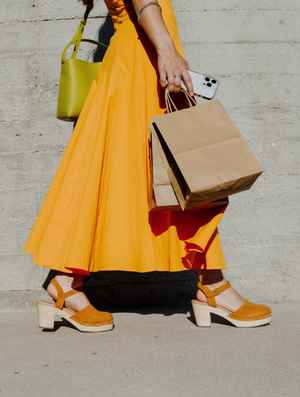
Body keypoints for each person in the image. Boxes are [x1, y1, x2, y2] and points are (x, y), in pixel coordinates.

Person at [23, 0, 272, 331]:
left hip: (138, 61)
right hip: (141, 64)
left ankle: (210, 283)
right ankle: (65, 283)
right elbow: (144, 3)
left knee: (165, 174)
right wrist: (167, 51)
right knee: (173, 171)